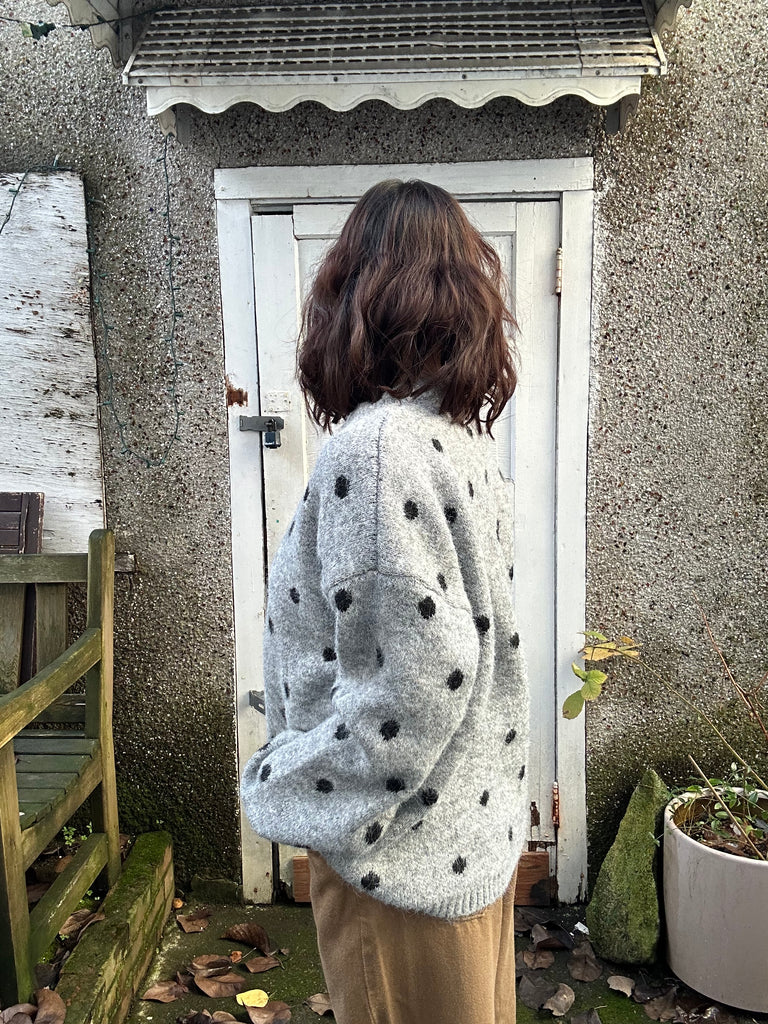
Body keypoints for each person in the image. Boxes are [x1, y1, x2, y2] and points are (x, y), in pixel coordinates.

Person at [240, 179, 529, 1024]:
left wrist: (283, 784)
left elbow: (417, 686)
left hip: (397, 865)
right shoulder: (456, 444)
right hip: (460, 846)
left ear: (351, 298)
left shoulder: (375, 453)